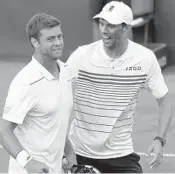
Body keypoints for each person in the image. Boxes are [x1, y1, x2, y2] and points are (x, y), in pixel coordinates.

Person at [65, 1, 172, 173]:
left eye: (111, 25)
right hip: (79, 152)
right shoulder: (81, 56)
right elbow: (56, 96)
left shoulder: (145, 59)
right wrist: (64, 150)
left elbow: (165, 101)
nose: (104, 30)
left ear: (125, 28)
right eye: (101, 23)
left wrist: (159, 139)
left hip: (120, 154)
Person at [0, 13, 73, 174]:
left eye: (59, 37)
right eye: (50, 39)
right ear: (35, 42)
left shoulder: (66, 73)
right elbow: (4, 130)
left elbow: (55, 119)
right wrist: (27, 162)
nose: (58, 43)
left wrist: (68, 151)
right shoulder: (25, 82)